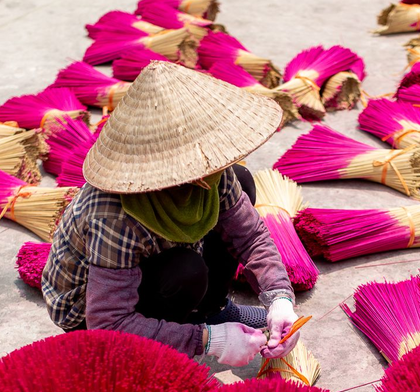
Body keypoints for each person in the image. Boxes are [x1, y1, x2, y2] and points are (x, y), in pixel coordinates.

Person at [41, 61, 300, 367]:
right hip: (92, 315)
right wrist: (207, 340)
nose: (215, 167)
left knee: (241, 179)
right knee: (186, 271)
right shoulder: (115, 215)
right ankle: (167, 346)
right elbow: (109, 324)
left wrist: (279, 298)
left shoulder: (209, 169)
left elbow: (250, 235)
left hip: (147, 274)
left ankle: (210, 309)